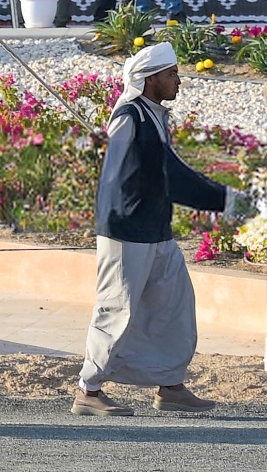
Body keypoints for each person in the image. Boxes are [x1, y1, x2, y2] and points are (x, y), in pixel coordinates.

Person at [74, 43, 247, 416]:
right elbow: (159, 174)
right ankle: (88, 389)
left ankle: (170, 386)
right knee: (116, 308)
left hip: (155, 228)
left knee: (174, 305)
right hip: (126, 229)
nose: (178, 82)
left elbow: (165, 170)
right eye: (171, 75)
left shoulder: (151, 115)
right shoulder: (129, 116)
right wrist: (228, 200)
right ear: (150, 78)